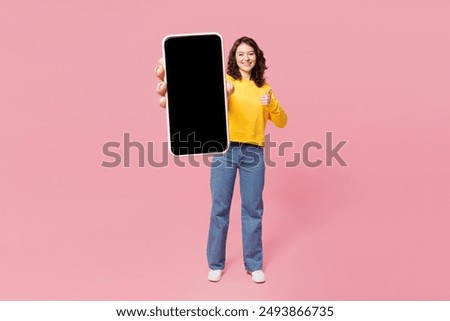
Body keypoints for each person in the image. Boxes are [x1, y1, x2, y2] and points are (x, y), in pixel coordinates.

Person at [156, 36, 287, 283]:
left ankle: (254, 264)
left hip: (253, 153)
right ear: (233, 58)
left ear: (256, 57)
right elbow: (205, 104)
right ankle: (215, 264)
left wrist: (273, 105)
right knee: (220, 209)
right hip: (225, 150)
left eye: (250, 53)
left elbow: (282, 121)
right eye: (240, 54)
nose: (246, 58)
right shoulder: (224, 82)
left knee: (253, 209)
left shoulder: (265, 89)